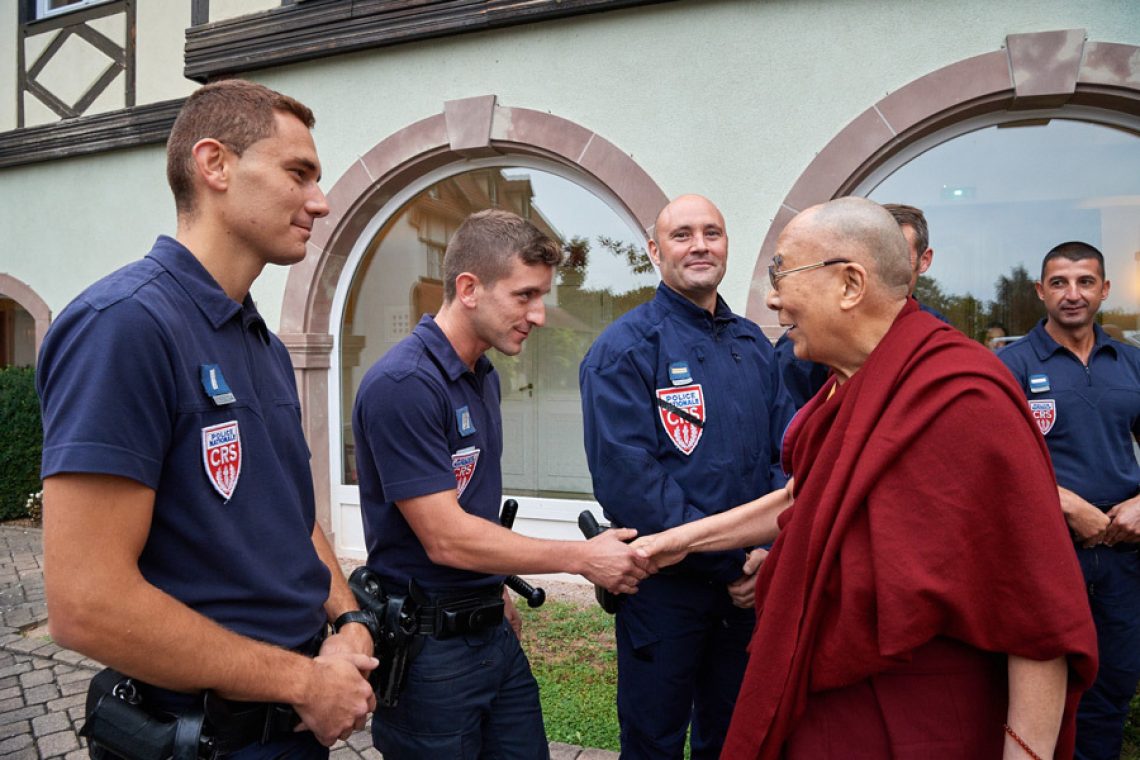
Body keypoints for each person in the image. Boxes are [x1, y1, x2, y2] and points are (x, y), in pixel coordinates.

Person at [634, 197, 1097, 760]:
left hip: (924, 719)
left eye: (782, 274)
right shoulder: (848, 385)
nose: (773, 298)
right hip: (831, 701)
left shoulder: (963, 396)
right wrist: (676, 542)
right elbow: (807, 498)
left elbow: (1040, 613)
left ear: (850, 284)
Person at [36, 80, 377, 757]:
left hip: (293, 724)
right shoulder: (124, 325)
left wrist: (349, 620)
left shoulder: (263, 345)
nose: (320, 200)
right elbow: (85, 604)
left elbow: (289, 516)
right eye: (298, 173)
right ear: (214, 164)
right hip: (203, 736)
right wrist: (304, 681)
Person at [352, 208, 651, 759]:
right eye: (524, 295)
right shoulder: (404, 384)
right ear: (469, 288)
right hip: (428, 655)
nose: (538, 315)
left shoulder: (481, 375)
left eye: (542, 296)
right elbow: (446, 538)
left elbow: (473, 510)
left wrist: (494, 591)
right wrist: (581, 558)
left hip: (490, 631)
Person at [578, 194, 794, 759]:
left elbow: (789, 457)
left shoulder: (754, 345)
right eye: (682, 235)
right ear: (655, 251)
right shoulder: (624, 350)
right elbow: (630, 482)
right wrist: (731, 559)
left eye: (712, 233)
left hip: (747, 591)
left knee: (737, 740)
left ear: (726, 246)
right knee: (654, 741)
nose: (700, 245)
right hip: (665, 591)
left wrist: (766, 552)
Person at [998, 241, 1140, 760]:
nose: (1072, 294)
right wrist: (1064, 504)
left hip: (1123, 559)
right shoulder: (1010, 366)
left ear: (1105, 290)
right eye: (1059, 283)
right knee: (1039, 697)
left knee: (1112, 689)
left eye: (1085, 282)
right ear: (1040, 291)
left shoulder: (1131, 363)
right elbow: (994, 465)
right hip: (1047, 557)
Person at [774, 201, 948, 407]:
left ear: (924, 260)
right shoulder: (809, 339)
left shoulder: (938, 336)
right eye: (876, 254)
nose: (882, 266)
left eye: (899, 255)